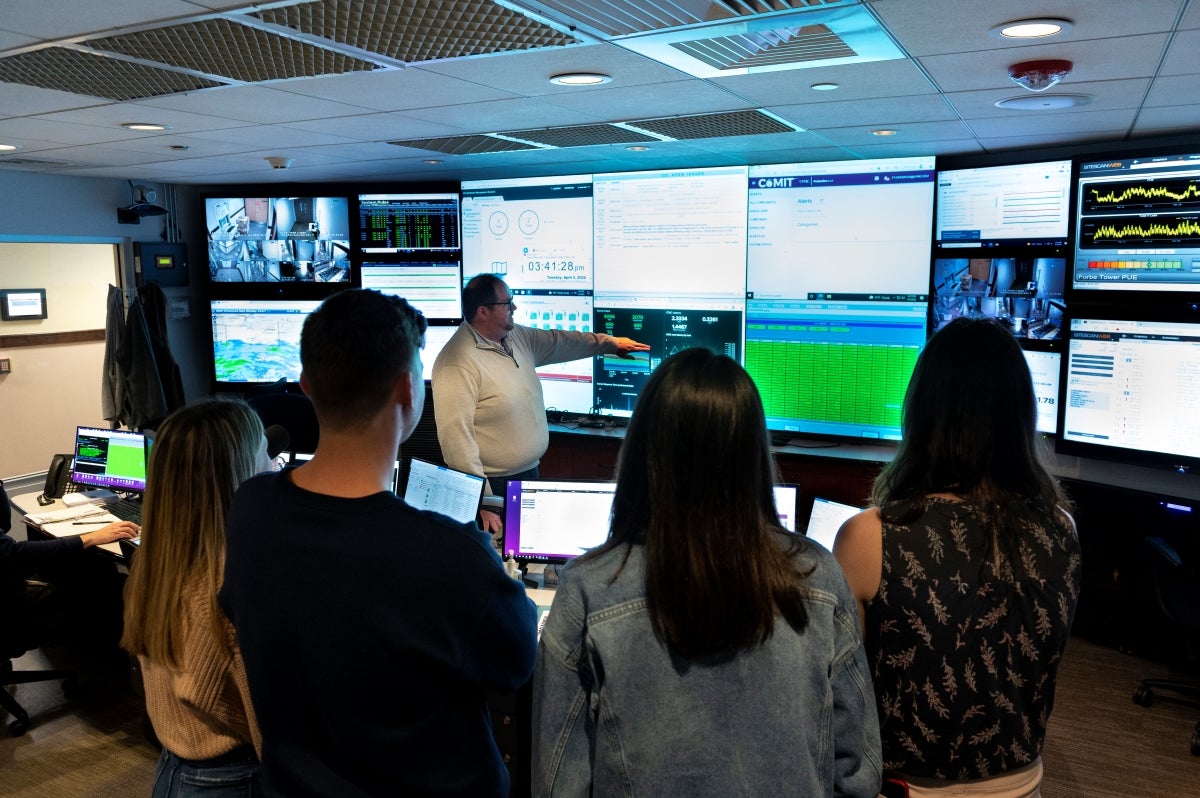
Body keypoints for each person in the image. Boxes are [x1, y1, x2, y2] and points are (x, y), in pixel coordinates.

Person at [219, 289, 538, 797]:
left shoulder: (251, 512)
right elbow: (516, 663)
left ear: (305, 386)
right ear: (410, 392)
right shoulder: (449, 553)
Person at [532, 347, 882, 797]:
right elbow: (859, 771)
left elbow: (559, 781)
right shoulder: (818, 576)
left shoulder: (588, 588)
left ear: (642, 451)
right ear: (753, 453)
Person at [834, 317, 1082, 798]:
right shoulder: (1063, 530)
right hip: (1022, 783)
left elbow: (840, 694)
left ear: (923, 413)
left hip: (903, 787)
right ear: (1019, 417)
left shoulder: (869, 537)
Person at [122, 400, 276, 796]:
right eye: (263, 452)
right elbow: (272, 735)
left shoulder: (156, 563)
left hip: (174, 771)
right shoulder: (227, 590)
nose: (274, 464)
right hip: (233, 780)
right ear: (236, 475)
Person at [432, 273, 650, 532]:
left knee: (526, 552)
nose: (514, 307)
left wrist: (609, 344)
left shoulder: (517, 338)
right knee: (504, 558)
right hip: (494, 485)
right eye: (507, 303)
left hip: (529, 474)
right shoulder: (457, 362)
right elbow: (456, 441)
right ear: (483, 312)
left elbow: (562, 342)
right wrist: (485, 501)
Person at [2, 477, 137, 678]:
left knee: (88, 566)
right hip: (8, 608)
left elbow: (3, 527)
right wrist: (90, 537)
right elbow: (11, 552)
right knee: (110, 582)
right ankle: (108, 672)